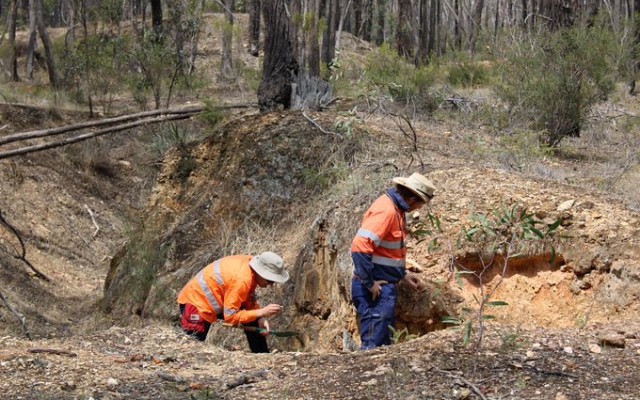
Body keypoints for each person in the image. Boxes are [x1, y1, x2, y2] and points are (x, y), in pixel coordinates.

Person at [350, 172, 436, 350]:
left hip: (383, 287)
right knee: (373, 347)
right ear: (412, 199)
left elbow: (384, 252)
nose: (418, 209)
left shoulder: (396, 209)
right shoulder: (387, 210)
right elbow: (359, 246)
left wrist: (402, 274)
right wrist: (369, 283)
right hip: (375, 291)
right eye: (420, 204)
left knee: (382, 346)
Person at [177, 251, 289, 353]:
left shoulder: (250, 268)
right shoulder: (242, 280)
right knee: (193, 348)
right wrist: (261, 312)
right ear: (260, 272)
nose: (271, 284)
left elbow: (248, 298)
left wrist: (260, 318)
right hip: (196, 302)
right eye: (269, 280)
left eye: (273, 281)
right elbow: (230, 317)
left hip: (217, 301)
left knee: (253, 319)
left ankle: (263, 356)